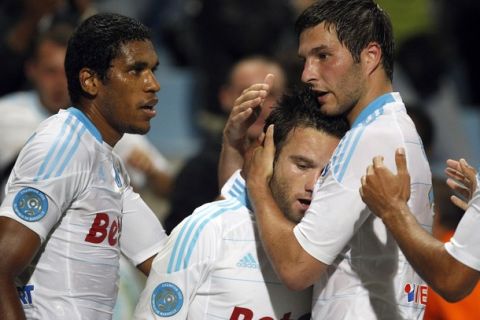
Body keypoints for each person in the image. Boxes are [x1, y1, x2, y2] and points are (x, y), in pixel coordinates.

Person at [223, 0, 434, 318]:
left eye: (323, 56)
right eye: (305, 59)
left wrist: (258, 184)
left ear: (370, 56)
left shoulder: (370, 139)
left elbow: (296, 269)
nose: (308, 74)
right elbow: (241, 214)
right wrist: (233, 145)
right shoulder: (396, 129)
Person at [0, 13, 167, 319]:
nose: (153, 84)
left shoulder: (107, 162)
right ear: (90, 81)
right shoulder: (61, 145)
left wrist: (233, 153)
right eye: (136, 70)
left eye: (152, 70)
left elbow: (171, 268)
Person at [133, 86, 349, 319]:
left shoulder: (335, 246)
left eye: (326, 172)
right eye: (302, 166)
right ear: (268, 155)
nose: (314, 184)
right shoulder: (207, 229)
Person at [0, 23, 173, 202]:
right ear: (32, 70)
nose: (60, 82)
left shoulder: (106, 121)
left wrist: (151, 172)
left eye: (65, 73)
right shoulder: (4, 116)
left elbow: (170, 188)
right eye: (51, 72)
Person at [164, 56, 286, 233]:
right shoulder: (198, 171)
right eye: (247, 93)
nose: (259, 104)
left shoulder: (301, 163)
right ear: (225, 97)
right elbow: (177, 239)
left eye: (271, 94)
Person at [359, 148, 480, 303]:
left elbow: (450, 278)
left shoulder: (442, 267)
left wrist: (392, 208)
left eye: (411, 210)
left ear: (436, 216)